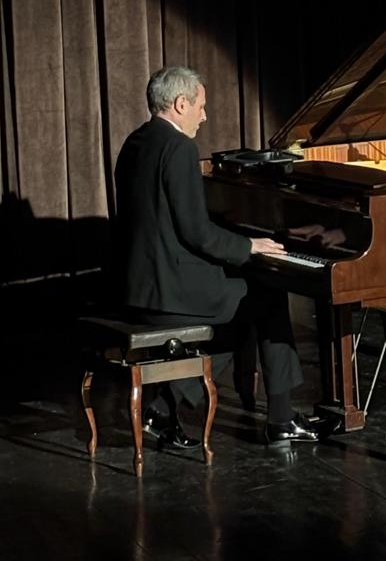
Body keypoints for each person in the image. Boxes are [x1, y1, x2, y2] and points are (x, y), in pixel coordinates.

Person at [114, 65, 321, 445]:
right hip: (173, 288)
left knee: (240, 309)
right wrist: (248, 245)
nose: (205, 116)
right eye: (201, 106)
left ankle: (161, 407)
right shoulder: (179, 148)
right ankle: (280, 418)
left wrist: (235, 244)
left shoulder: (135, 142)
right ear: (180, 104)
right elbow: (196, 232)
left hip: (140, 286)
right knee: (269, 294)